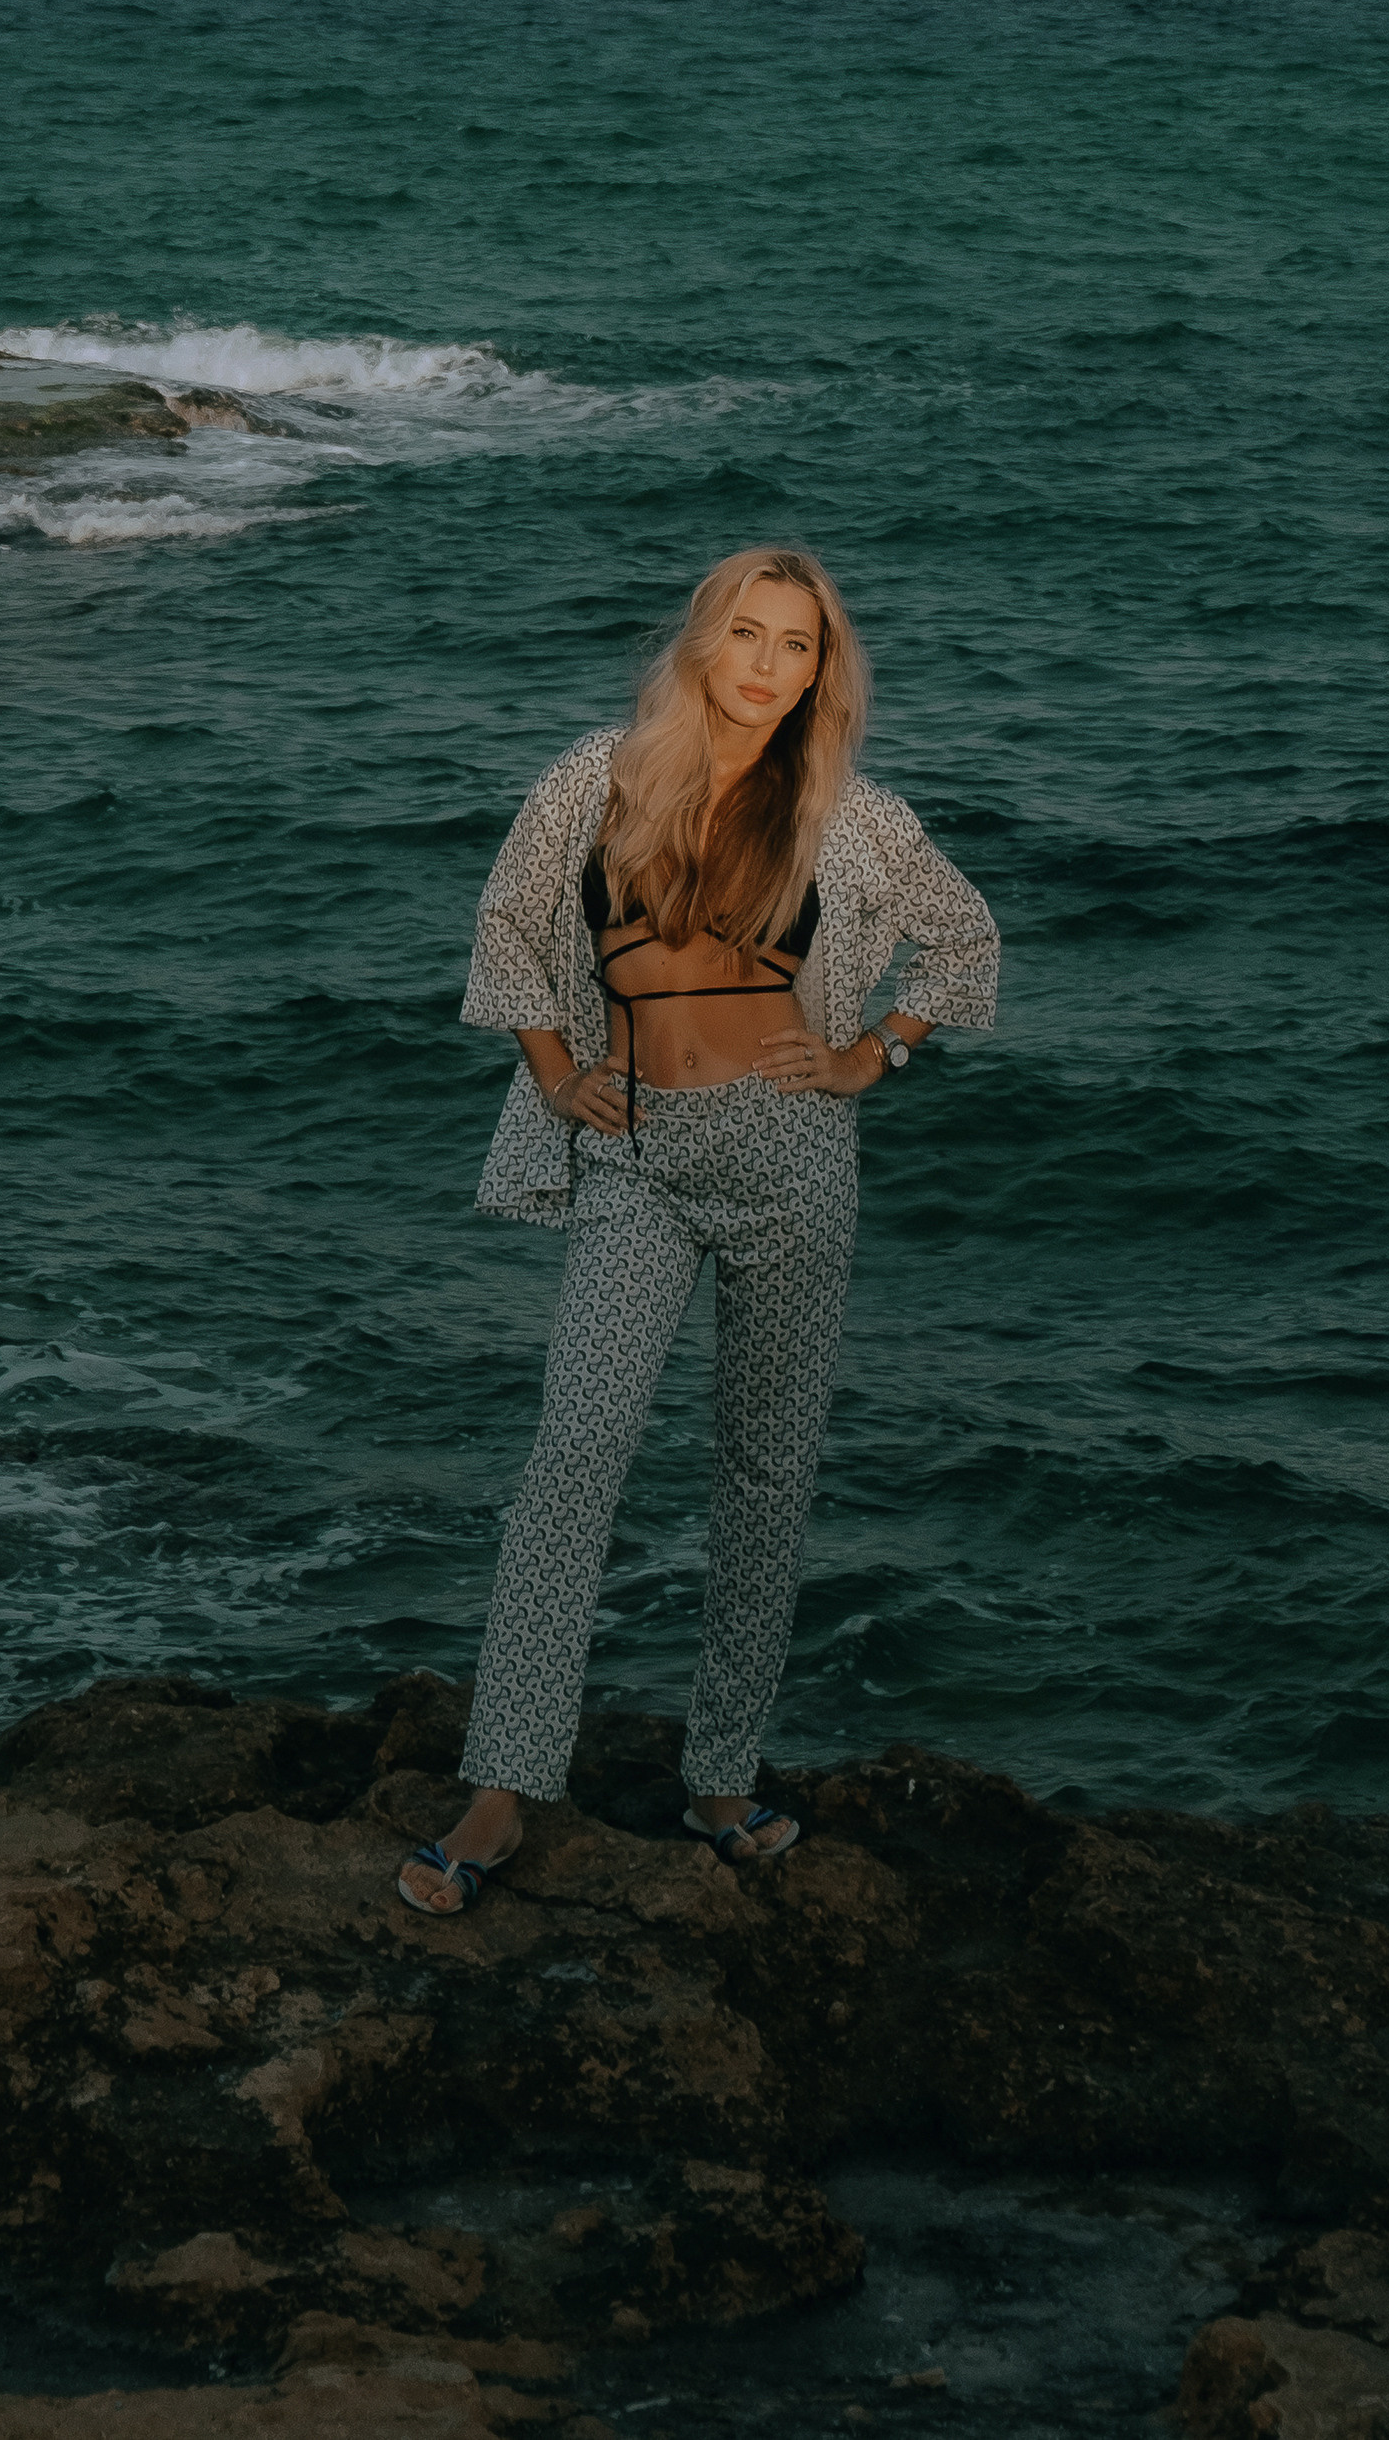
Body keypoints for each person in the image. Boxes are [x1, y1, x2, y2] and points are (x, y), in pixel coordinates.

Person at [396, 544, 999, 1916]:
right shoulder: (596, 780)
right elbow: (505, 928)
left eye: (797, 647)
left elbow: (963, 942)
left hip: (792, 1158)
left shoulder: (854, 820)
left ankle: (720, 1780)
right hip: (638, 1157)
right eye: (748, 634)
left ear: (819, 673)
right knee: (574, 1452)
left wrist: (872, 1054)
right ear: (701, 642)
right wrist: (556, 1076)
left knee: (762, 1472)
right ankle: (502, 1788)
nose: (767, 667)